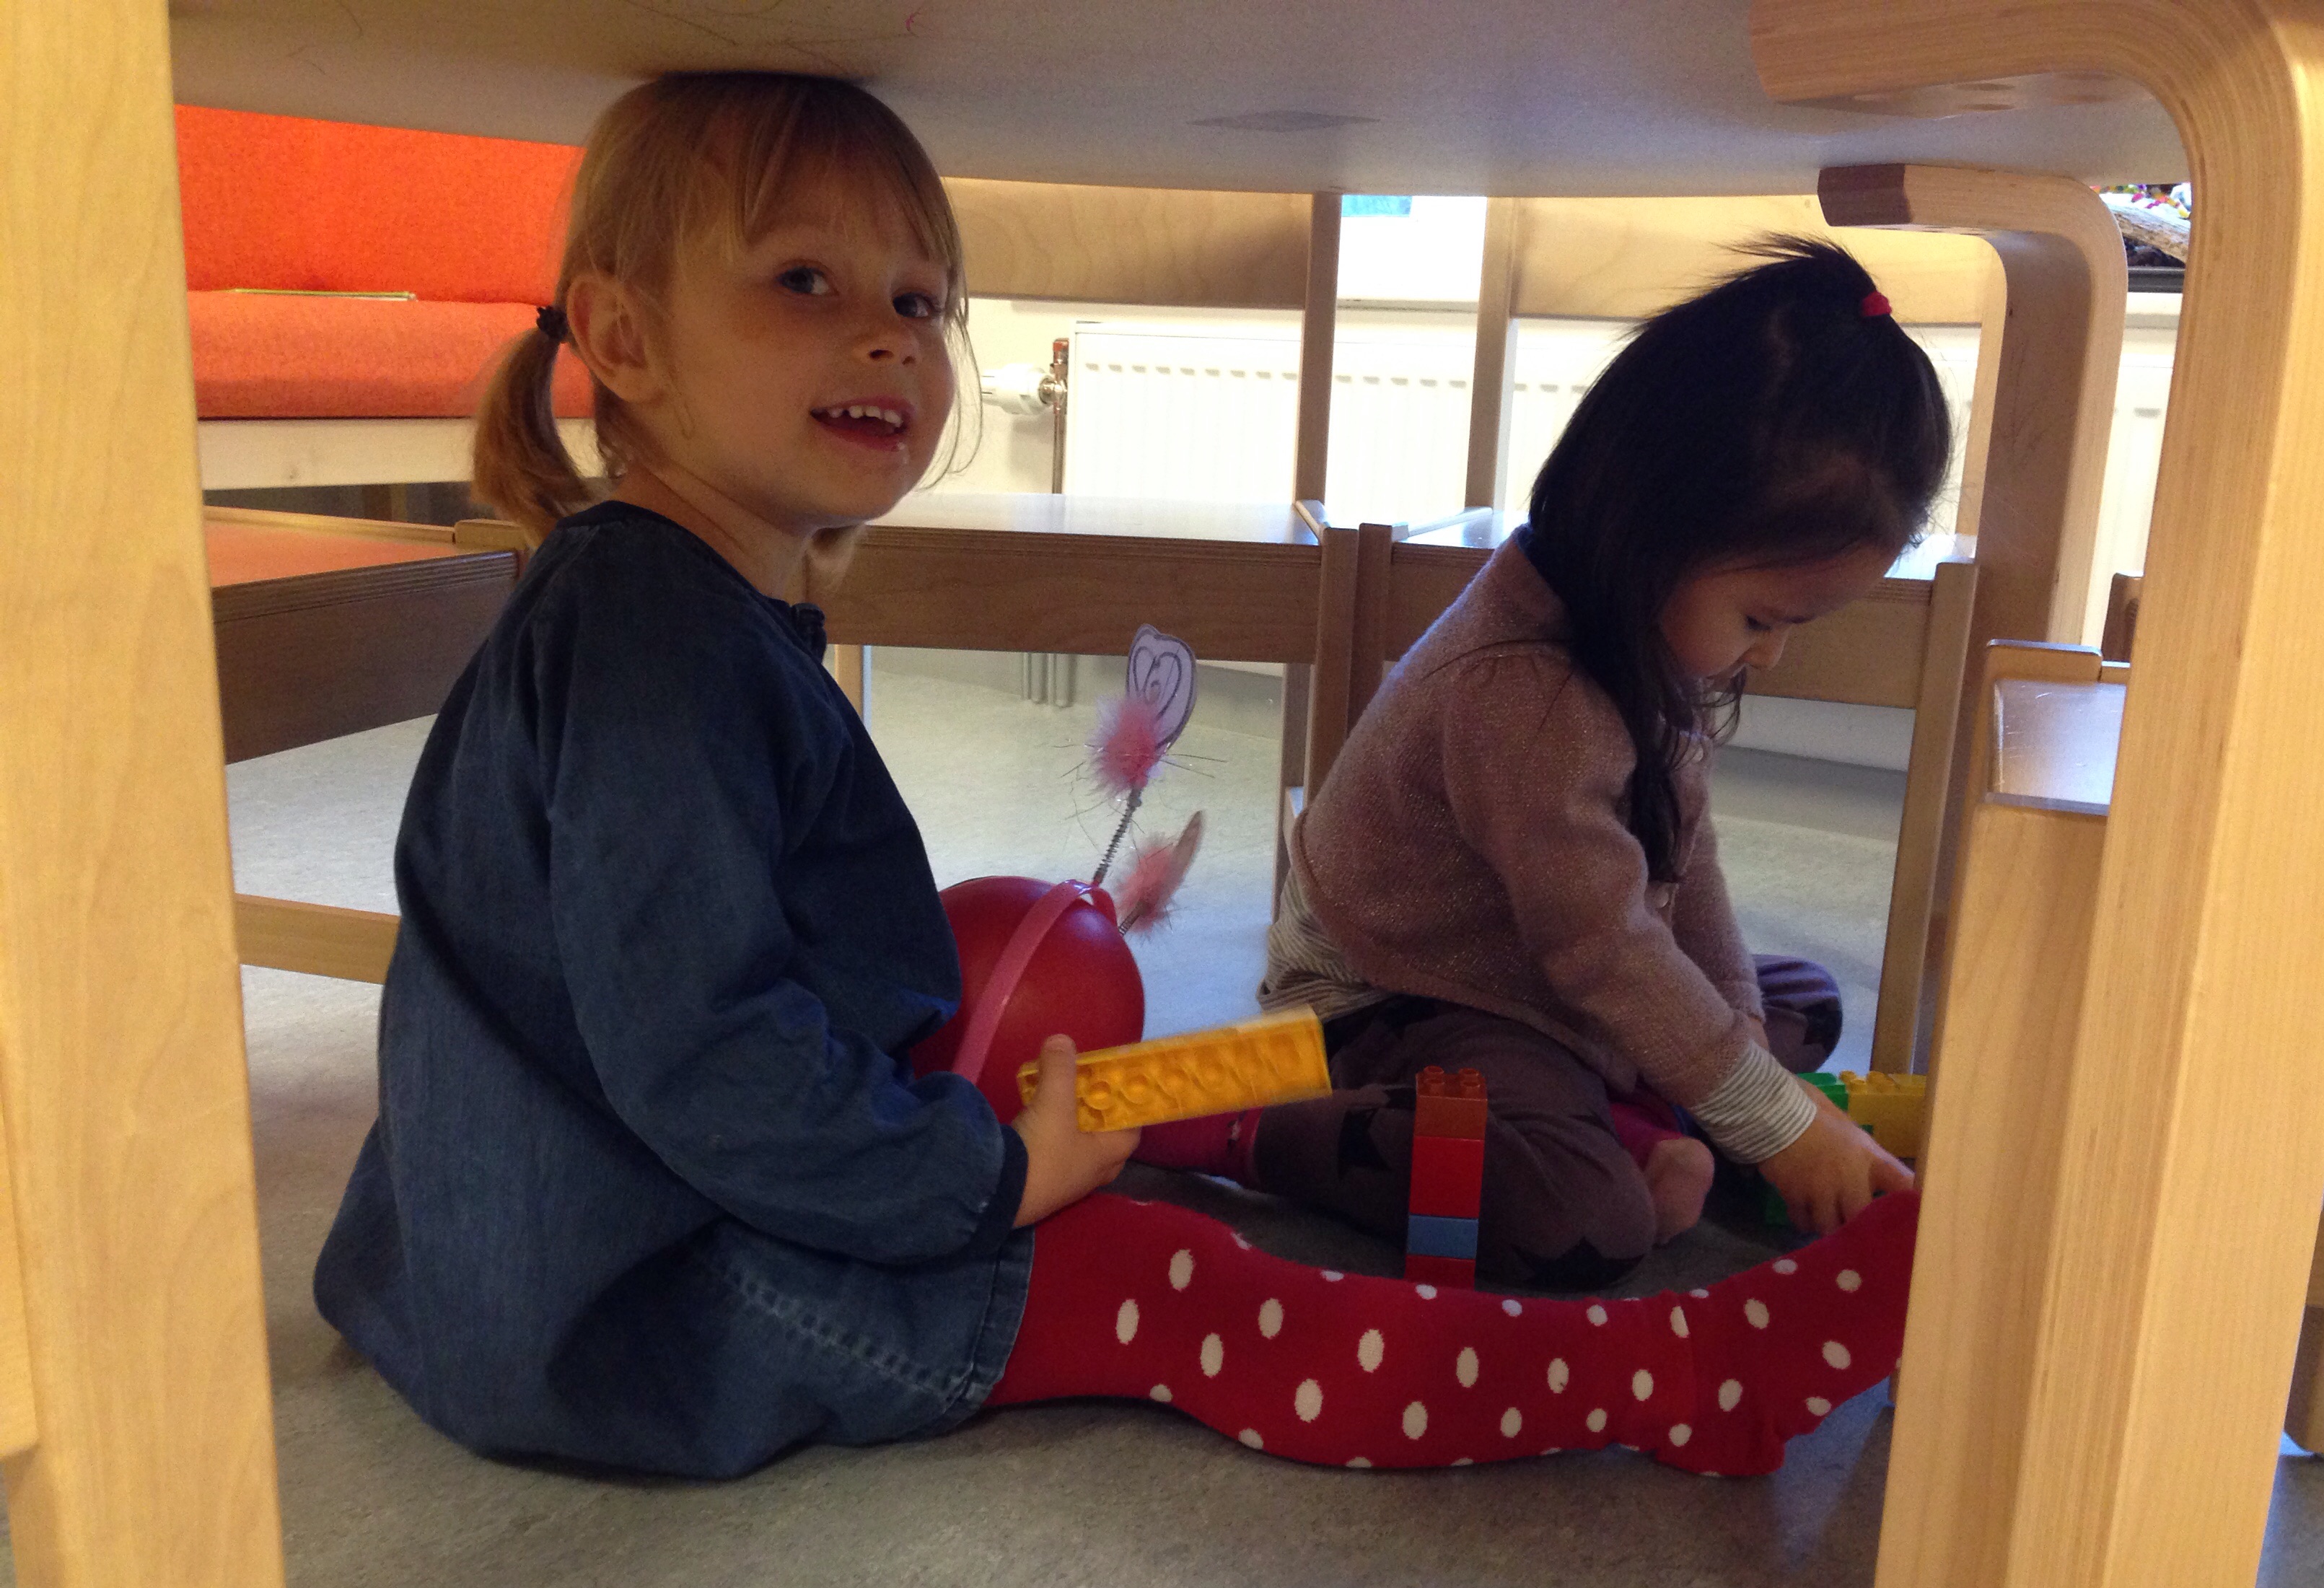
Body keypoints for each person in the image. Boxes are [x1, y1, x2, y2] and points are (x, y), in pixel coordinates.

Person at [314, 74, 1919, 1485]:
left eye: (923, 300)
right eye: (804, 281)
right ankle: (1676, 1380)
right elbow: (711, 1055)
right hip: (636, 1298)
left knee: (1084, 1096)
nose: (887, 334)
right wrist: (986, 1176)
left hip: (615, 1229)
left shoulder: (665, 610)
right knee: (1169, 1285)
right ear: (622, 338)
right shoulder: (653, 643)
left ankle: (1261, 1113)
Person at [1148, 239, 1944, 1295]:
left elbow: (1685, 859)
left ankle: (1626, 1113)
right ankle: (1255, 1125)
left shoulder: (1635, 627)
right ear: (1653, 529)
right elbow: (1603, 950)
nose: (1772, 655)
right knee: (1580, 1219)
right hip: (1388, 997)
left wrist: (1742, 1049)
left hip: (1524, 966)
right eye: (1762, 619)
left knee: (1798, 1005)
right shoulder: (1523, 698)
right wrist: (1767, 1116)